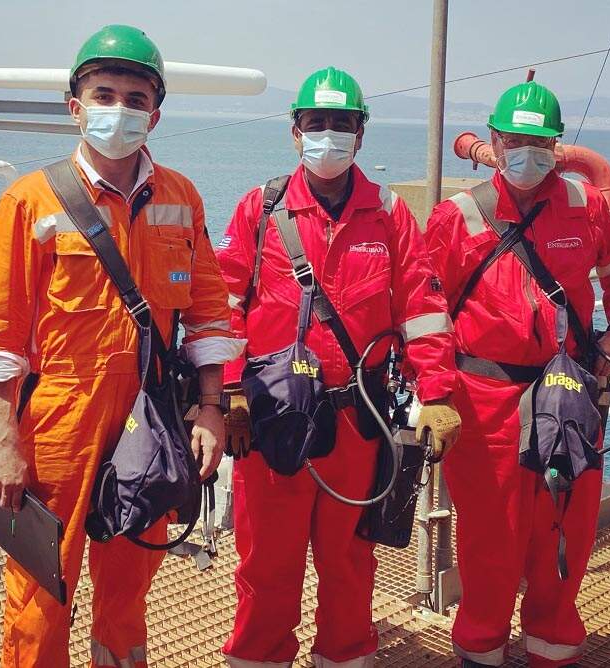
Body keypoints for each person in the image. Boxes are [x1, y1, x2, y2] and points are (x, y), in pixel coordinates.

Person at [0, 24, 241, 668]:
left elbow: (207, 314)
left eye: (136, 99)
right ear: (76, 107)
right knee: (40, 591)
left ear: (155, 114)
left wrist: (210, 409)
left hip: (150, 418)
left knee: (129, 588)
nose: (120, 109)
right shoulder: (30, 201)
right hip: (56, 420)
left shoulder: (181, 197)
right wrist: (1, 440)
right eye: (104, 94)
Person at [215, 66, 461, 668]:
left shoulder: (388, 214)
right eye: (317, 123)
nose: (329, 134)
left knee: (350, 559)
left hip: (358, 421)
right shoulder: (261, 208)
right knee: (266, 562)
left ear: (361, 134)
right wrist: (230, 392)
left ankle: (346, 655)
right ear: (295, 132)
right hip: (271, 420)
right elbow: (223, 305)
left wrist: (436, 393)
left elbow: (422, 308)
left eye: (342, 124)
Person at [423, 80, 610, 667]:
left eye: (540, 142)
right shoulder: (458, 216)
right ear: (495, 142)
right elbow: (424, 311)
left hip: (566, 393)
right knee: (489, 540)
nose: (527, 153)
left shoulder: (586, 206)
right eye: (515, 141)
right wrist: (436, 394)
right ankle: (481, 650)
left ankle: (553, 647)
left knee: (561, 533)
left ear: (557, 145)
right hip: (485, 400)